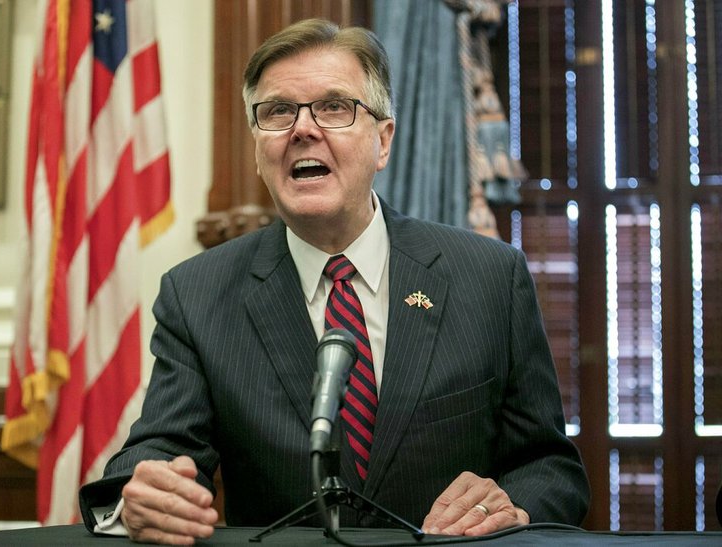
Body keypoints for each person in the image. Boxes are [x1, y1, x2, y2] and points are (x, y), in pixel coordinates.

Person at [79, 18, 590, 545]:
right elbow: (157, 454)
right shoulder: (199, 294)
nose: (302, 128)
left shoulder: (488, 277)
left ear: (382, 142)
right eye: (277, 112)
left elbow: (551, 468)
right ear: (258, 148)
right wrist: (138, 496)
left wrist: (512, 504)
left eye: (334, 107)